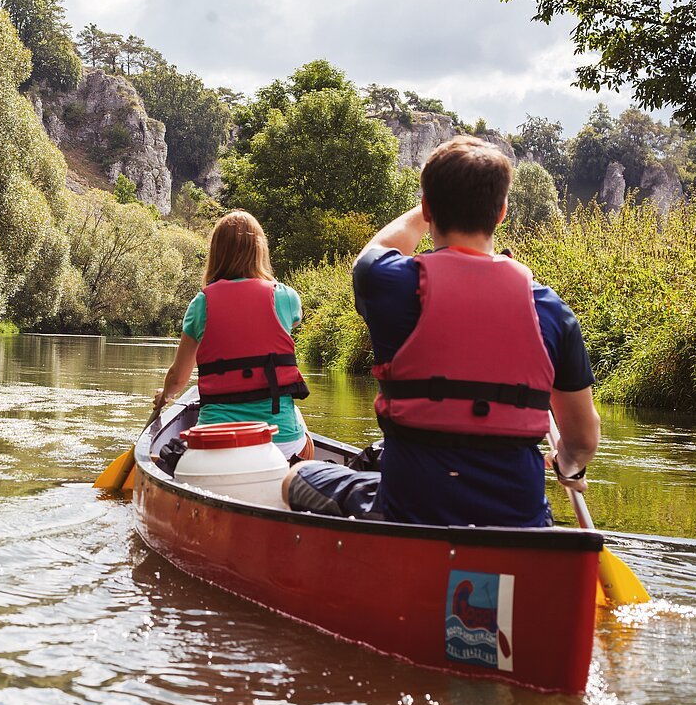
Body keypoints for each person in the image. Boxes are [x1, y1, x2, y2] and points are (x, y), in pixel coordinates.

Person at [283, 136, 600, 526]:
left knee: (294, 477)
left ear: (429, 209)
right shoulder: (552, 311)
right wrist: (568, 467)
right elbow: (584, 440)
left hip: (410, 508)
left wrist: (434, 202)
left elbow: (376, 250)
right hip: (519, 520)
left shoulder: (389, 285)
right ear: (501, 213)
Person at [153, 210, 313, 459]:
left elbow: (177, 378)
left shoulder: (201, 304)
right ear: (260, 251)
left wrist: (165, 397)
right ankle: (294, 486)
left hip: (216, 439)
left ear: (216, 253)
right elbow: (294, 319)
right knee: (302, 432)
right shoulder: (287, 297)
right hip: (281, 444)